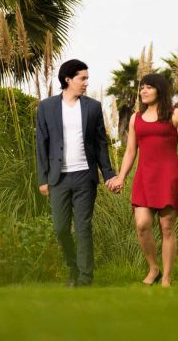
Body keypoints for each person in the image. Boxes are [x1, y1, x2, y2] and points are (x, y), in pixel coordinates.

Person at [35, 59, 121, 287]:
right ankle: (73, 268)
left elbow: (101, 143)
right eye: (82, 78)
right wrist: (43, 178)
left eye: (86, 79)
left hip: (85, 175)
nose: (86, 83)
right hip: (58, 178)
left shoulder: (93, 106)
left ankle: (84, 279)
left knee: (83, 226)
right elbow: (41, 144)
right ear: (68, 79)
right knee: (61, 228)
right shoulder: (46, 107)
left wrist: (109, 174)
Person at [107, 73, 178, 287]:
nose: (143, 91)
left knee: (167, 227)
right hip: (144, 178)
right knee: (143, 225)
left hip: (170, 176)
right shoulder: (136, 118)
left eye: (148, 87)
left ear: (160, 90)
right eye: (142, 88)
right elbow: (130, 151)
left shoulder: (176, 115)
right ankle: (153, 267)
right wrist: (121, 176)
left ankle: (166, 277)